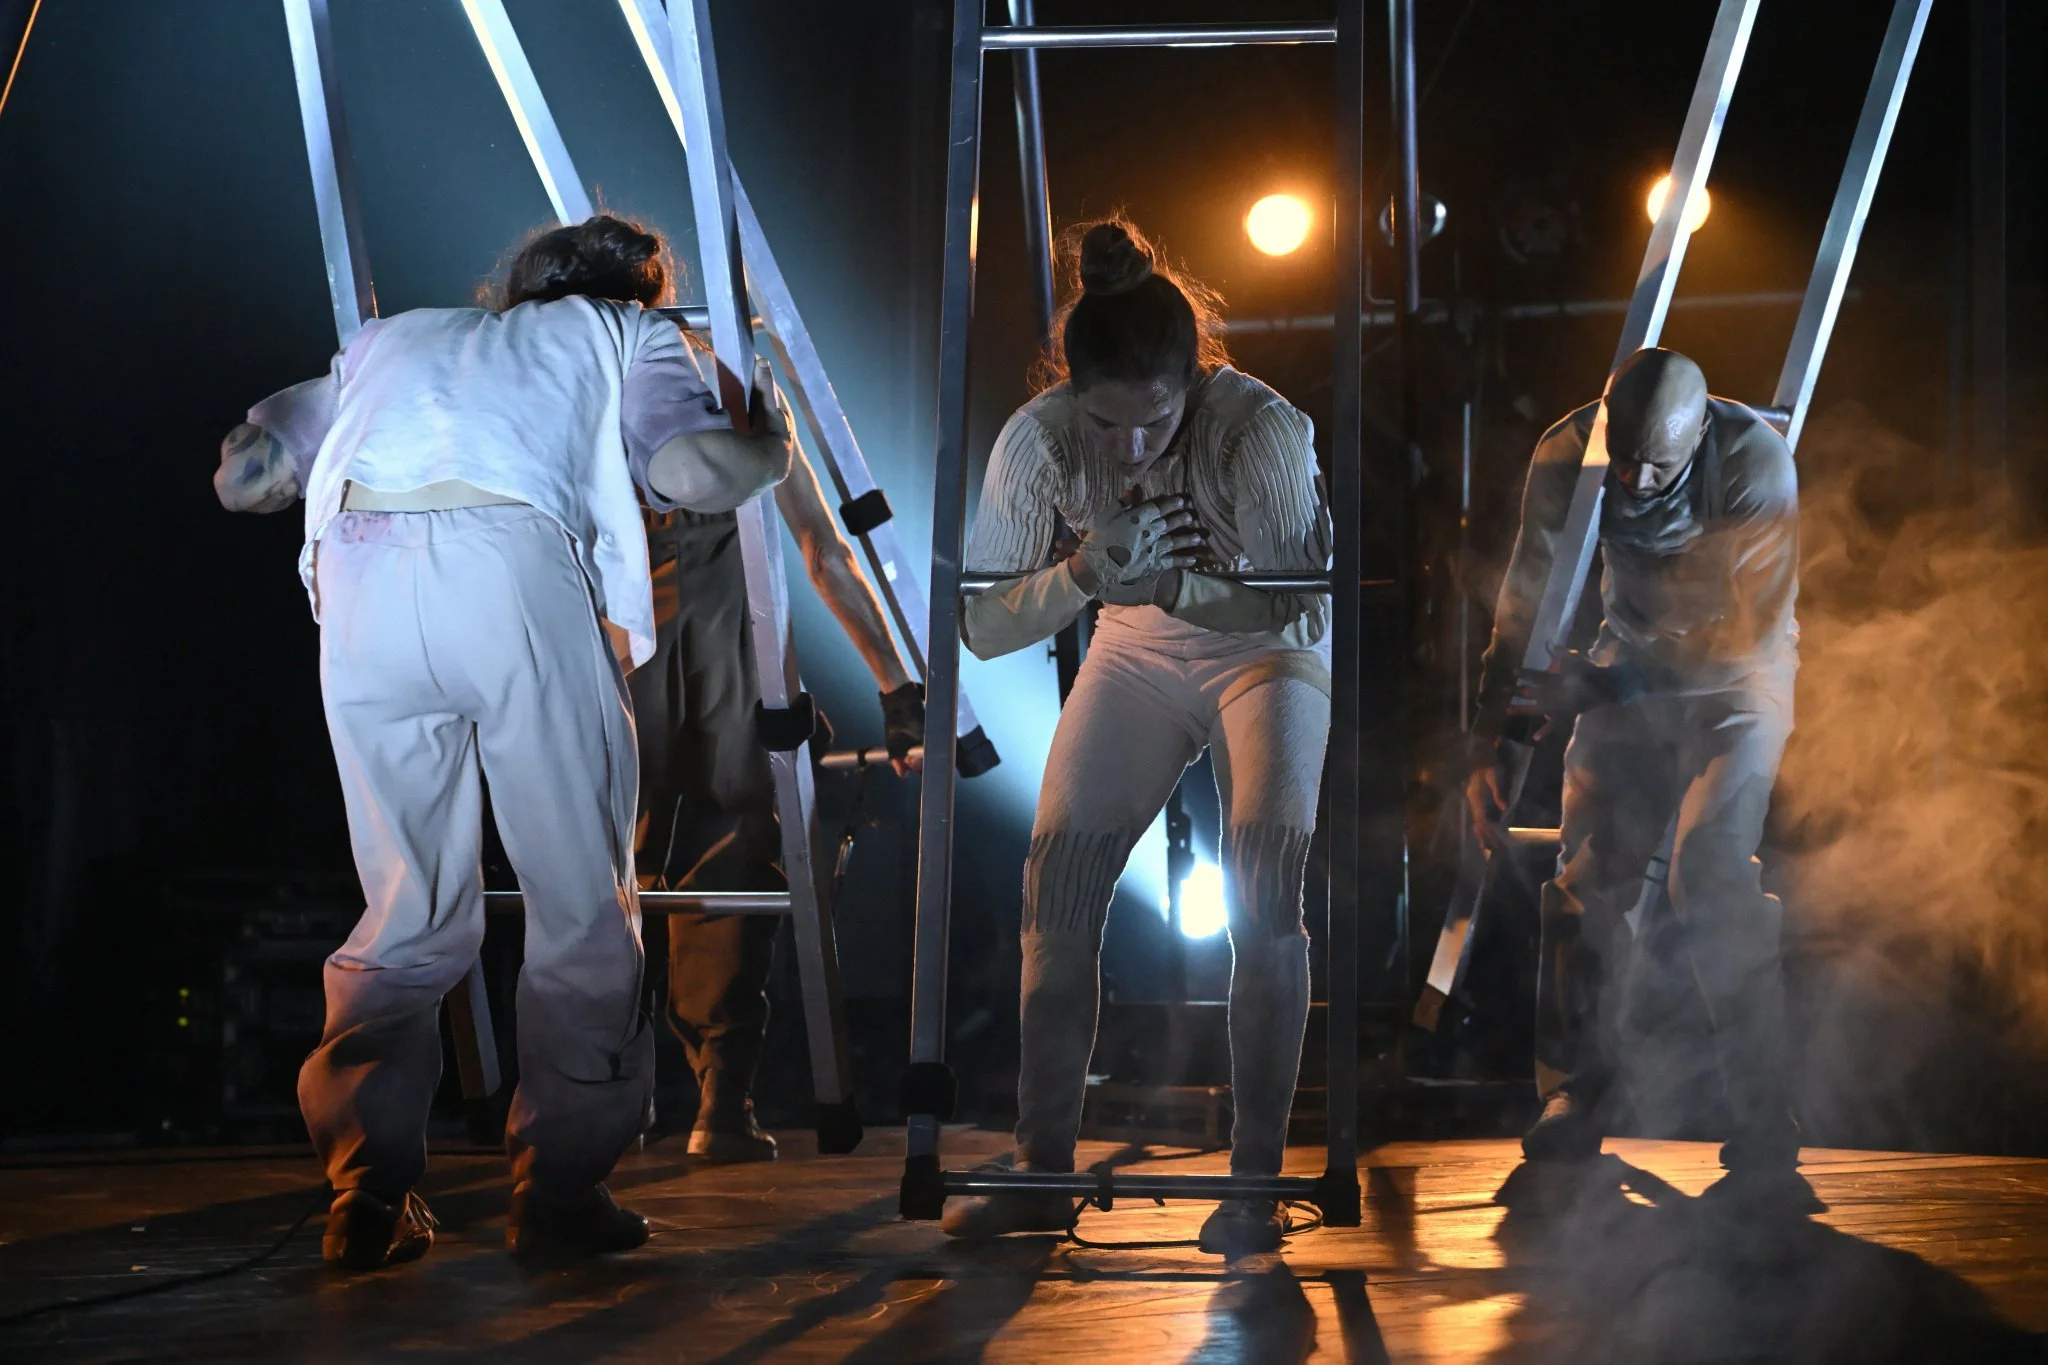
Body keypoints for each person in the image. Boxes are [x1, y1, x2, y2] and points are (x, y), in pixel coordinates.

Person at [214, 216, 795, 1270]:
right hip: (508, 568)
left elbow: (245, 480)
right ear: (635, 290)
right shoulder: (628, 331)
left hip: (360, 584)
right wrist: (771, 445)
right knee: (579, 901)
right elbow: (690, 471)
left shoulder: (393, 340)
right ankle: (560, 1189)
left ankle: (366, 1187)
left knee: (406, 903)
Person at [941, 218, 1332, 1257]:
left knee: (1263, 888)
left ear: (1188, 385)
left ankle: (1253, 1178)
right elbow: (980, 628)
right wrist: (1079, 573)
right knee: (1057, 890)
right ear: (1072, 393)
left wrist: (1171, 582)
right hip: (1134, 646)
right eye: (1104, 423)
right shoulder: (1039, 438)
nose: (1128, 448)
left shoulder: (1255, 428)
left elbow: (1299, 609)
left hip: (1262, 650)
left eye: (1152, 421)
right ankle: (1040, 1167)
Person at [1464, 347, 1810, 1209]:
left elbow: (1749, 638)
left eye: (1659, 464)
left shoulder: (1753, 461)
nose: (1636, 478)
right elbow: (1527, 604)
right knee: (1585, 880)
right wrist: (1493, 743)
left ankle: (1763, 1111)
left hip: (1737, 687)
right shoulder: (1568, 454)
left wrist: (1608, 685)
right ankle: (1574, 1091)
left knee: (1709, 869)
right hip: (1630, 666)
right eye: (1624, 457)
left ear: (1697, 437)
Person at [636, 444, 924, 1165]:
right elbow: (822, 551)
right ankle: (718, 1102)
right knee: (729, 859)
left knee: (606, 866)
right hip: (728, 656)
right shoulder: (747, 404)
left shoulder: (595, 385)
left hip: (629, 650)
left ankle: (608, 1097)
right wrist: (895, 690)